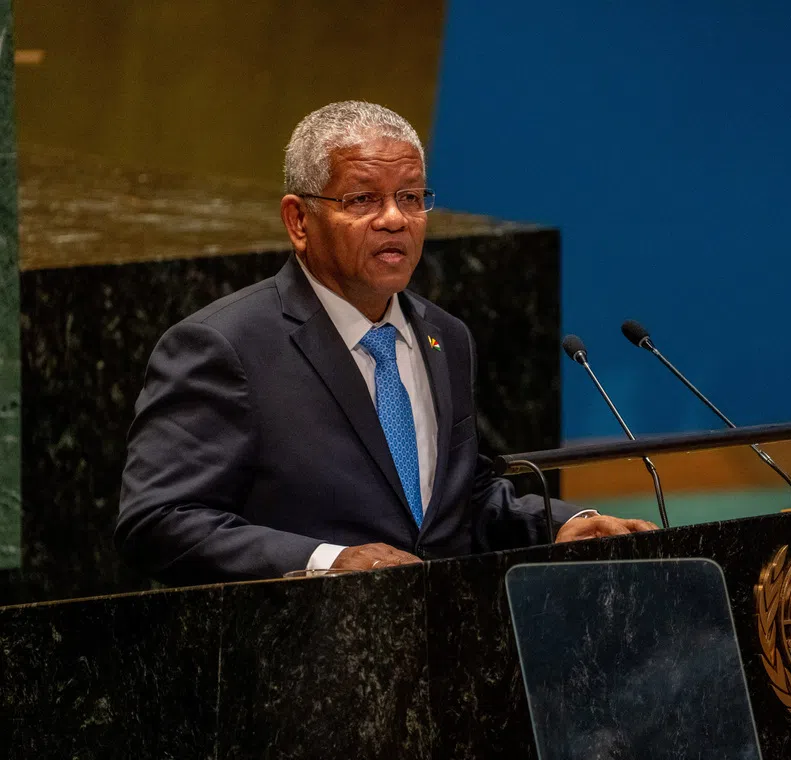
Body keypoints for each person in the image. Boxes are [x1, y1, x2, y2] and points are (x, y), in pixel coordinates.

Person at [116, 101, 655, 585]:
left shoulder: (446, 336)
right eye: (363, 199)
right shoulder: (224, 346)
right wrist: (327, 560)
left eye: (411, 197)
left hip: (444, 653)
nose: (394, 219)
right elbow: (159, 521)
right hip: (301, 663)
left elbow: (460, 499)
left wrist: (566, 523)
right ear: (298, 219)